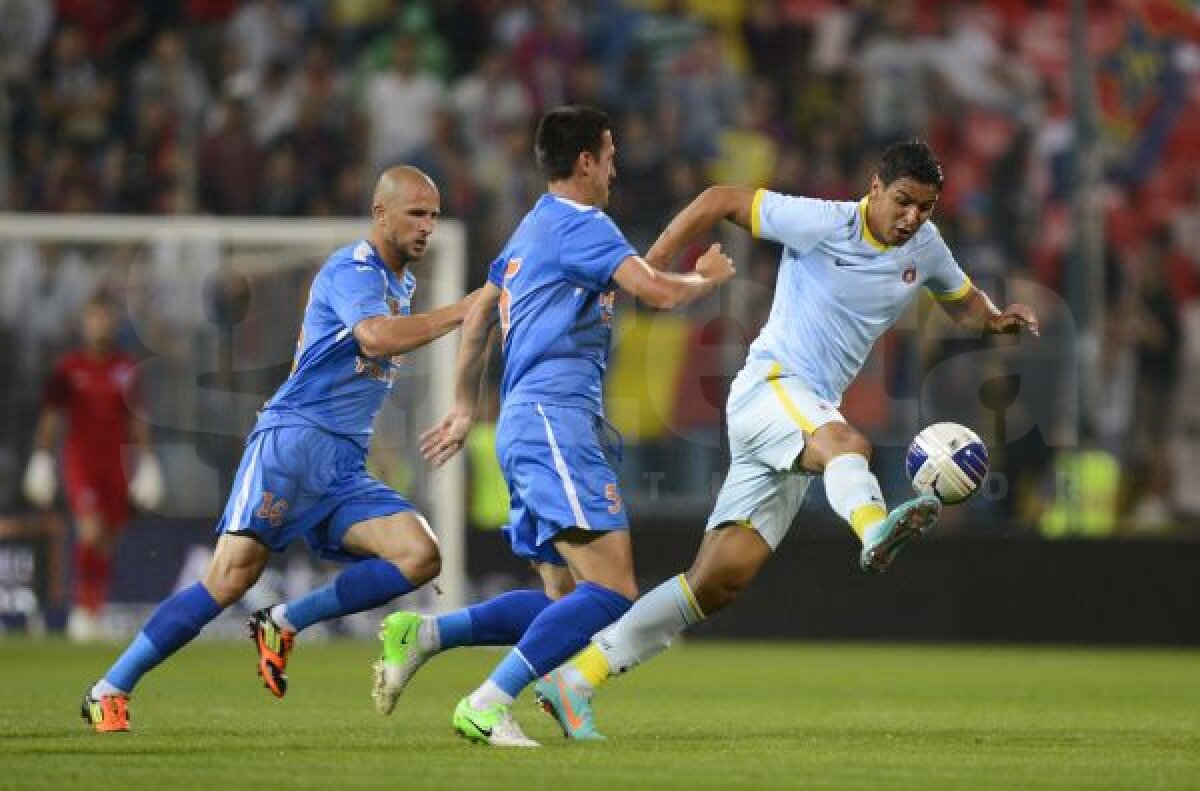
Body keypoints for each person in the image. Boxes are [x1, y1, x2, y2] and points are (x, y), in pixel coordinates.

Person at [531, 138, 1041, 739]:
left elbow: (962, 300)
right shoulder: (823, 222)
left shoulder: (925, 246)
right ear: (875, 188)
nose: (912, 217)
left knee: (716, 582)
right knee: (848, 446)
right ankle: (874, 528)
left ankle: (576, 680)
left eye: (925, 207)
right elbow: (719, 198)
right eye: (903, 201)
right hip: (772, 386)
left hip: (801, 414)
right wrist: (655, 265)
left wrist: (994, 317)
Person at [81, 166, 473, 733]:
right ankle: (109, 688)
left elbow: (336, 363)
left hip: (343, 462)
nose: (427, 226)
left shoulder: (400, 286)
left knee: (420, 555)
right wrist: (463, 310)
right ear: (380, 213)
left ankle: (285, 621)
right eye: (416, 213)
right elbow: (373, 338)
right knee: (228, 579)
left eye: (433, 215)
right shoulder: (352, 268)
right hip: (292, 447)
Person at [396, 105, 735, 747]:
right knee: (612, 589)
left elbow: (480, 315)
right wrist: (704, 278)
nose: (614, 169)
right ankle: (487, 702)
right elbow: (657, 293)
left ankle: (432, 635)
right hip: (556, 421)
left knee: (563, 605)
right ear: (585, 161)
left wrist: (466, 405)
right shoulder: (584, 225)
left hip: (527, 423)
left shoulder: (531, 227)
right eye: (609, 156)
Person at [24, 293, 164, 641]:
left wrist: (148, 462)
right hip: (81, 461)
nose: (100, 325)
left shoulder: (126, 368)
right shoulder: (68, 368)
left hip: (116, 463)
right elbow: (51, 417)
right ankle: (81, 611)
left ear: (114, 323)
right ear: (84, 323)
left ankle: (92, 609)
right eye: (94, 318)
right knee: (90, 531)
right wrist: (41, 458)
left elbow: (136, 418)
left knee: (108, 539)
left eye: (106, 318)